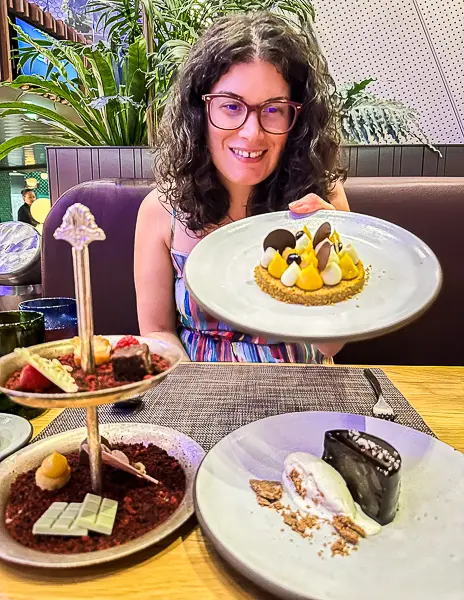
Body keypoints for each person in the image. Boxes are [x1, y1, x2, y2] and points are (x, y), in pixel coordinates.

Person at [135, 11, 350, 363]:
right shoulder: (160, 211)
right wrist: (194, 393)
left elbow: (331, 347)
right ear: (199, 111)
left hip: (303, 394)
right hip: (199, 399)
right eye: (232, 106)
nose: (251, 132)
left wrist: (331, 266)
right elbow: (158, 332)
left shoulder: (323, 200)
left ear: (297, 121)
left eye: (274, 110)